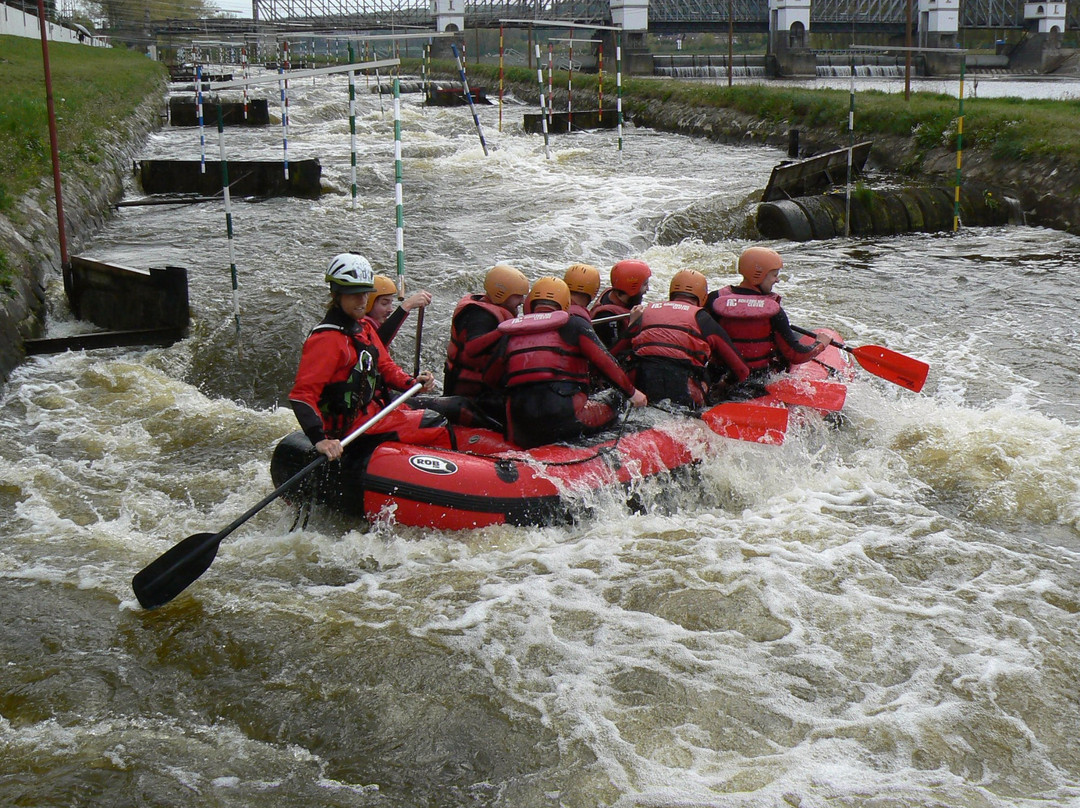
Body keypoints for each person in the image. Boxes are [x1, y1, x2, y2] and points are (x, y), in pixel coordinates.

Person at [289, 252, 456, 461]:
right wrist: (319, 439)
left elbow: (386, 367)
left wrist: (412, 382)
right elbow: (302, 395)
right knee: (435, 423)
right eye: (355, 295)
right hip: (352, 428)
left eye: (365, 293)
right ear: (337, 294)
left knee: (445, 411)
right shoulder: (326, 340)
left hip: (373, 412)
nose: (362, 300)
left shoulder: (364, 327)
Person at [484, 277, 647, 449]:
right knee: (617, 397)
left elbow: (490, 378)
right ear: (565, 303)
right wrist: (632, 393)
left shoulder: (510, 332)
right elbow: (605, 362)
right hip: (565, 418)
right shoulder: (574, 324)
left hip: (521, 427)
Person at [612, 269, 750, 409]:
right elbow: (742, 370)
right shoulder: (703, 319)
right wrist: (725, 384)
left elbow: (614, 355)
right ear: (703, 296)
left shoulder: (646, 311)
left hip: (640, 386)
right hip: (683, 391)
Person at [708, 246, 832, 376]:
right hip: (757, 381)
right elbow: (796, 354)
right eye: (774, 275)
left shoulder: (715, 298)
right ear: (759, 275)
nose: (777, 280)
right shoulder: (773, 311)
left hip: (718, 378)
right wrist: (820, 343)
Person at [442, 264, 530, 424]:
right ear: (501, 294)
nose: (522, 301)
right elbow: (472, 348)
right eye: (518, 296)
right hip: (466, 392)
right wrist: (504, 331)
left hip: (483, 388)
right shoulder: (479, 315)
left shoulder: (493, 310)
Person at [590, 259, 652, 349]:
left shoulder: (611, 293)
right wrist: (633, 325)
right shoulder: (607, 317)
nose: (648, 289)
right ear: (632, 288)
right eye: (645, 284)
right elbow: (613, 354)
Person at [364, 274, 432, 347]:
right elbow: (377, 344)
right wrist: (407, 306)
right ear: (367, 303)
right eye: (384, 303)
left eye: (391, 302)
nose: (390, 309)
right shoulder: (359, 327)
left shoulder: (375, 324)